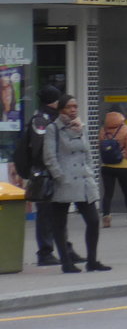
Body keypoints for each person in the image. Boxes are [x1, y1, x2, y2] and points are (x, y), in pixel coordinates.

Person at [41, 95, 110, 273]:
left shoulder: (81, 127)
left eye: (75, 106)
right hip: (64, 181)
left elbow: (87, 153)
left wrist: (90, 172)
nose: (73, 110)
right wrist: (60, 176)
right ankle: (66, 262)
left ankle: (92, 261)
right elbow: (49, 157)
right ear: (61, 109)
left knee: (93, 221)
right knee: (60, 224)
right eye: (69, 107)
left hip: (83, 180)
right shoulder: (53, 129)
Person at [20, 86, 81, 267]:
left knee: (58, 213)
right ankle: (45, 252)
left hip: (57, 172)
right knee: (46, 214)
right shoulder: (41, 119)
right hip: (46, 174)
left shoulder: (55, 118)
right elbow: (41, 149)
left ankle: (66, 249)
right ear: (54, 101)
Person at [98, 109, 127, 227]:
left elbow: (100, 147)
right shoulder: (126, 129)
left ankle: (106, 216)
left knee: (108, 193)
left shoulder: (103, 130)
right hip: (123, 165)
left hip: (106, 165)